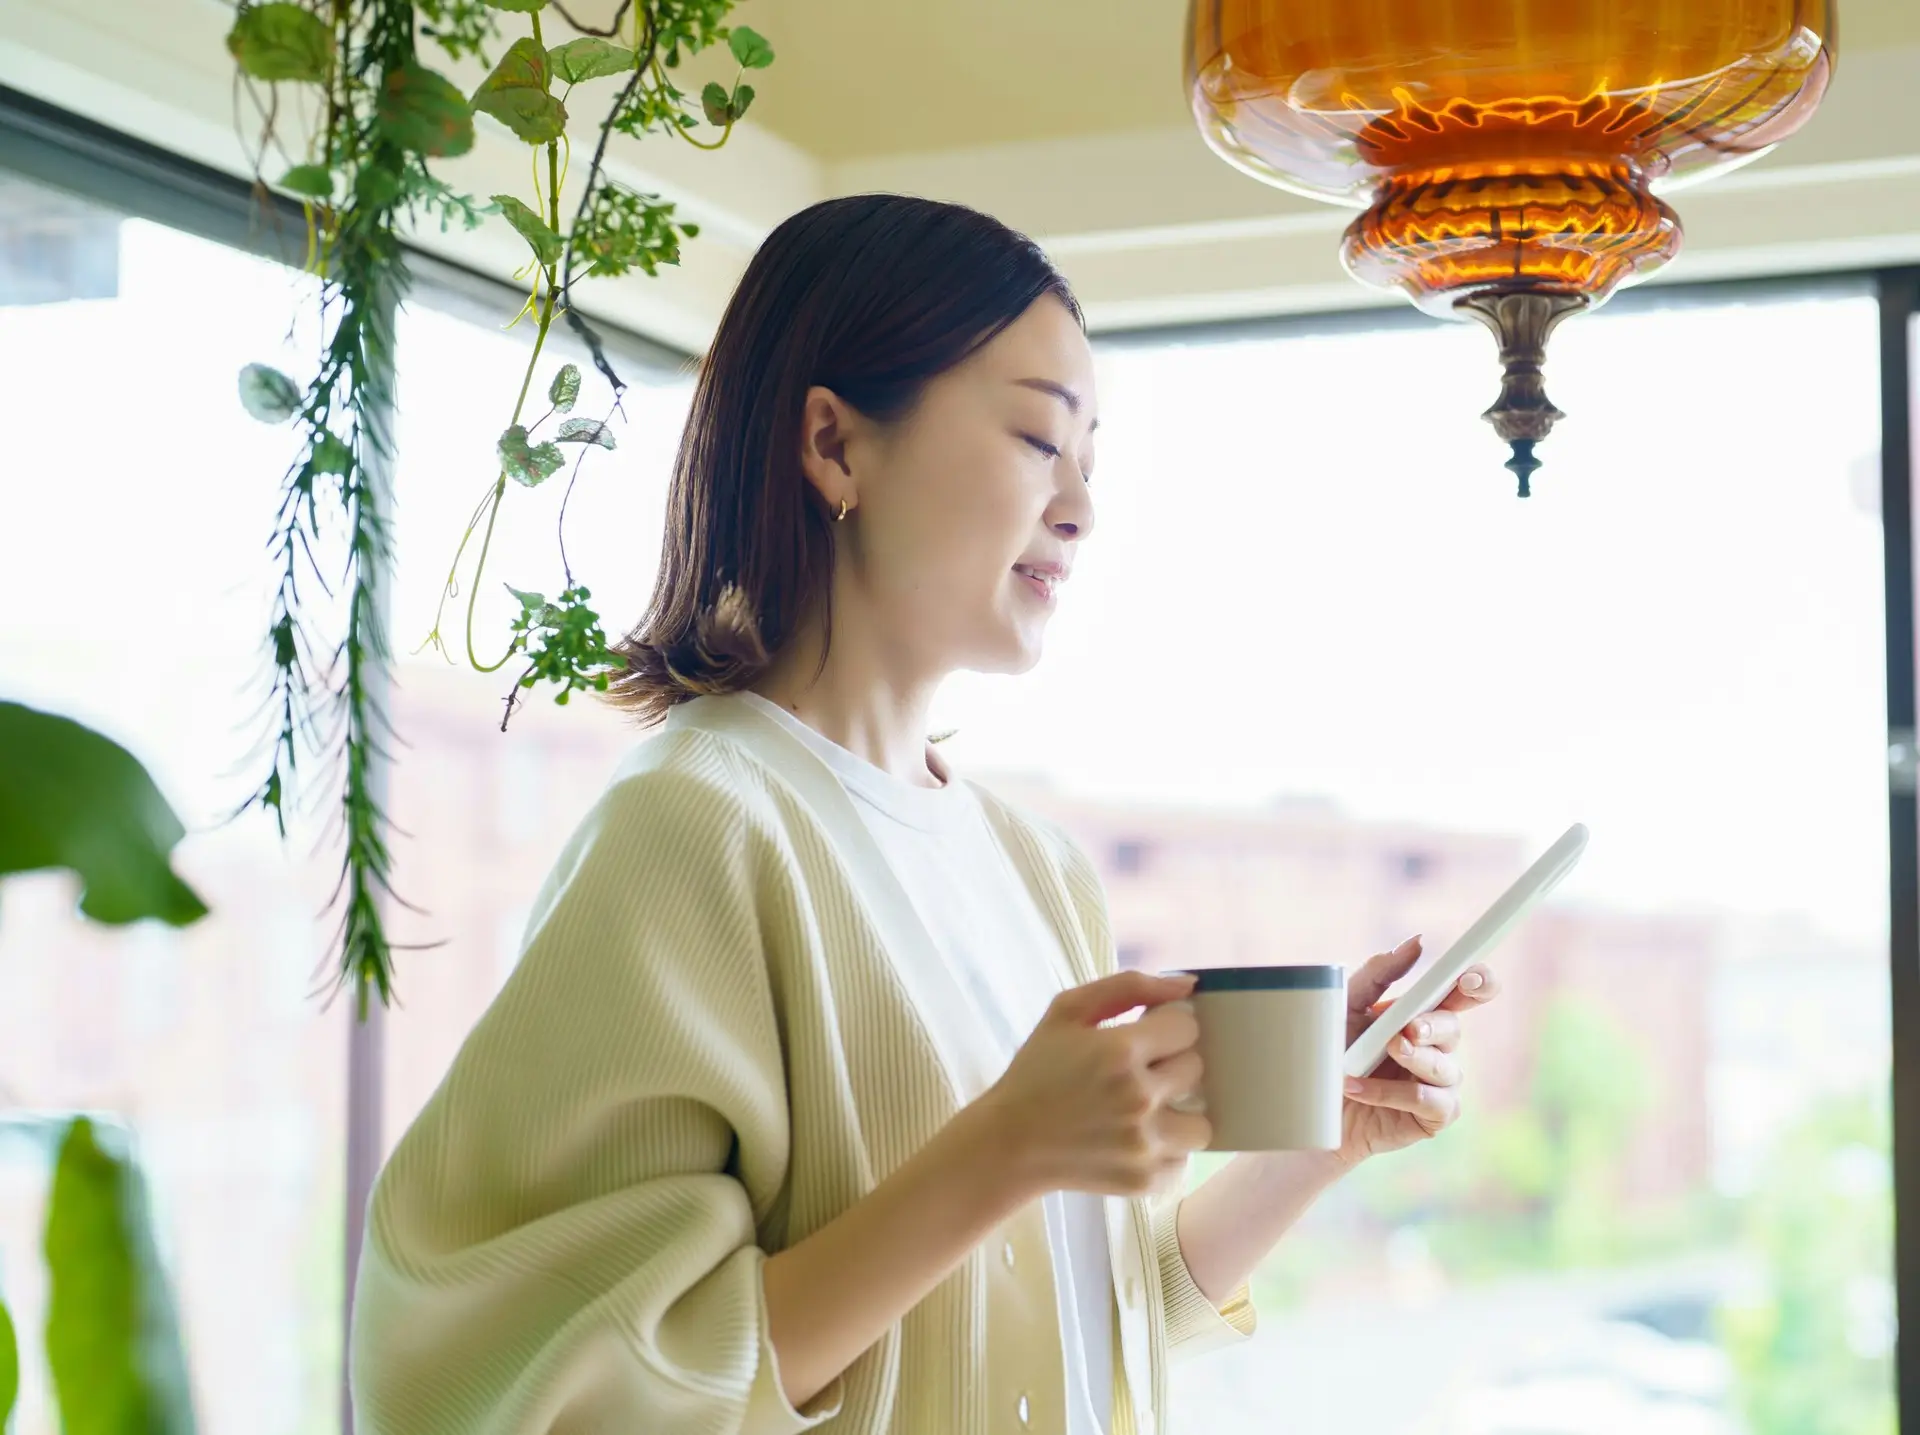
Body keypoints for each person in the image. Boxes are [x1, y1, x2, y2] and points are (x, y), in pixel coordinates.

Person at [348, 194, 1500, 1435]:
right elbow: (569, 1385)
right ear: (835, 445)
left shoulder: (1037, 869)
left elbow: (1048, 1328)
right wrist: (1006, 1147)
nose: (1081, 506)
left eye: (1091, 461)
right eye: (1038, 439)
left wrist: (1323, 1140)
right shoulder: (694, 830)